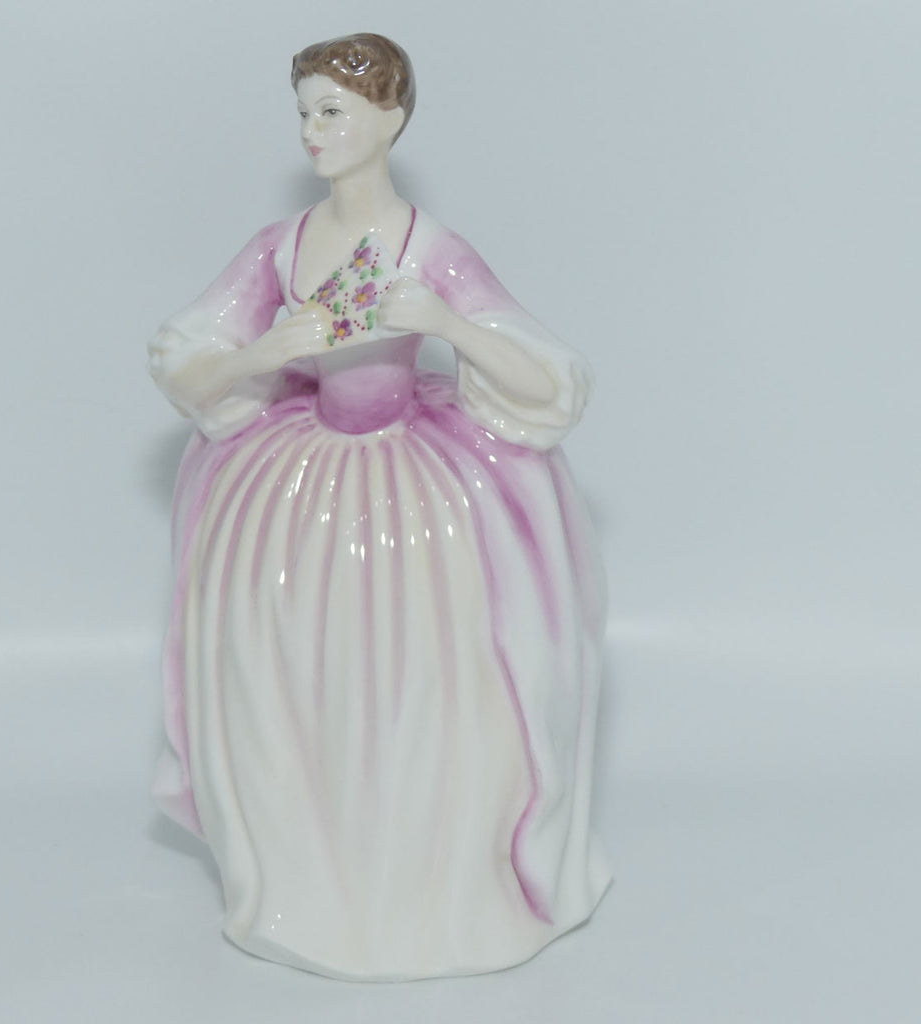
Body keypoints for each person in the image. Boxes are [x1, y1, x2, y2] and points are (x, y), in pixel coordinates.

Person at [148, 33, 610, 980]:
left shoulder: (431, 249)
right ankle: (310, 866)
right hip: (297, 483)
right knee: (284, 661)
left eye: (334, 111)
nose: (313, 131)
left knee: (434, 672)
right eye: (305, 112)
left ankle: (421, 869)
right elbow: (183, 355)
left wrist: (445, 323)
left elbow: (551, 378)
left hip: (416, 487)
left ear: (390, 118)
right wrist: (265, 354)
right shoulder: (279, 247)